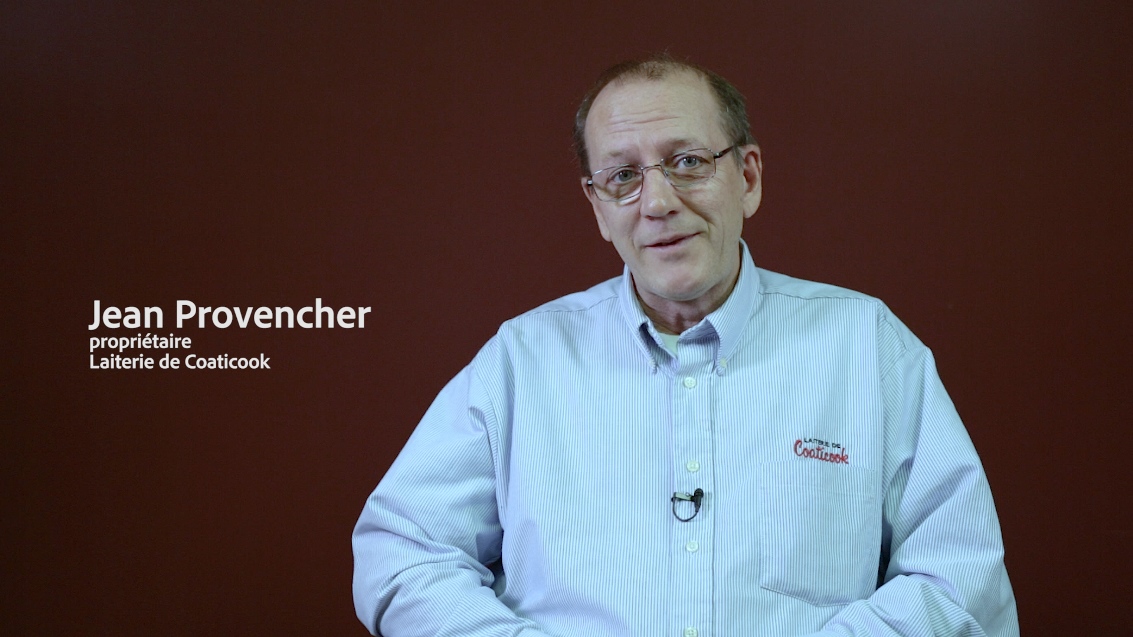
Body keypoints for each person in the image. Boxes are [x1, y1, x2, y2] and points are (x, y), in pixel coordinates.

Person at [352, 54, 1019, 637]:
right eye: (621, 177)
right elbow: (400, 551)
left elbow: (959, 575)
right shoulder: (522, 361)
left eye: (688, 162)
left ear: (748, 177)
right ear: (596, 207)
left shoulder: (866, 345)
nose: (657, 201)